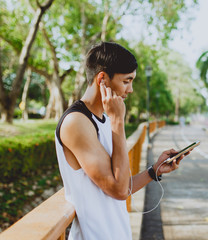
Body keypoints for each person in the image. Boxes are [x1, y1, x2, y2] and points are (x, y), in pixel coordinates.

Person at [55, 42, 186, 239]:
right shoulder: (76, 122)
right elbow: (118, 190)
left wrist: (154, 170)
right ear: (102, 79)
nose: (130, 89)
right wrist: (118, 121)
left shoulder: (105, 120)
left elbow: (122, 184)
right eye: (126, 81)